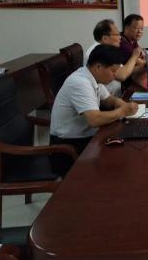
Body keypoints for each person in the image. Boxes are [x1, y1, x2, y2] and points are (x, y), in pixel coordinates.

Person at [49, 44, 138, 173]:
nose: (114, 76)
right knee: (119, 162)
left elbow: (108, 100)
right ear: (98, 67)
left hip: (85, 137)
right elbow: (94, 120)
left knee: (127, 148)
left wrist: (121, 103)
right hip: (68, 147)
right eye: (113, 71)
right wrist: (122, 111)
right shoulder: (80, 82)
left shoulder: (92, 76)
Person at [86, 19, 144, 95]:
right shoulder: (98, 51)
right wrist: (134, 56)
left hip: (116, 95)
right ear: (105, 38)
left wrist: (142, 67)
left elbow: (124, 70)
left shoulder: (108, 50)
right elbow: (122, 75)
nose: (120, 37)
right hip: (107, 98)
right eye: (117, 35)